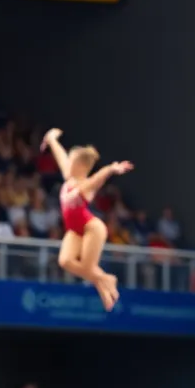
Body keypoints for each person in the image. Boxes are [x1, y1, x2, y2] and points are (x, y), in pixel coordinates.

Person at [41, 128, 131, 310]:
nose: (68, 164)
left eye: (72, 161)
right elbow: (61, 157)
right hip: (74, 229)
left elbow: (97, 179)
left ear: (82, 166)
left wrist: (110, 169)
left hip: (92, 228)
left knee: (88, 268)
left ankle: (105, 287)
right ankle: (106, 280)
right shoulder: (69, 176)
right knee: (65, 261)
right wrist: (52, 140)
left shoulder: (85, 186)